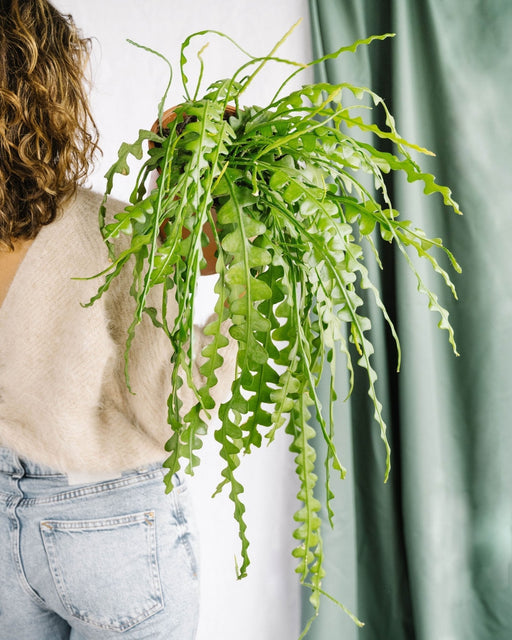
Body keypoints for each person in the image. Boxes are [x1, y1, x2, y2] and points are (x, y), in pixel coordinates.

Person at [0, 2, 234, 638]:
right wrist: (242, 288)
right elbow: (168, 412)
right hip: (110, 531)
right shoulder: (110, 234)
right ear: (52, 91)